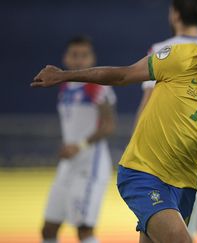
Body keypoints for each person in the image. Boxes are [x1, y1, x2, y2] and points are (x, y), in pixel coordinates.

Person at [32, 4, 197, 243]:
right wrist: (64, 75)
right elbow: (123, 75)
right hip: (144, 172)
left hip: (185, 184)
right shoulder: (180, 56)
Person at [136, 1, 197, 243]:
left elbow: (146, 107)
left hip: (177, 162)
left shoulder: (161, 49)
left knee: (162, 235)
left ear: (175, 14)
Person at [41, 36, 116, 243]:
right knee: (48, 228)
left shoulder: (96, 86)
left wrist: (79, 145)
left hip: (89, 166)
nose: (79, 61)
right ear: (65, 58)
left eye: (84, 56)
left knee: (84, 231)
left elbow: (109, 125)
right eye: (75, 55)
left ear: (92, 59)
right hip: (67, 166)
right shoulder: (65, 87)